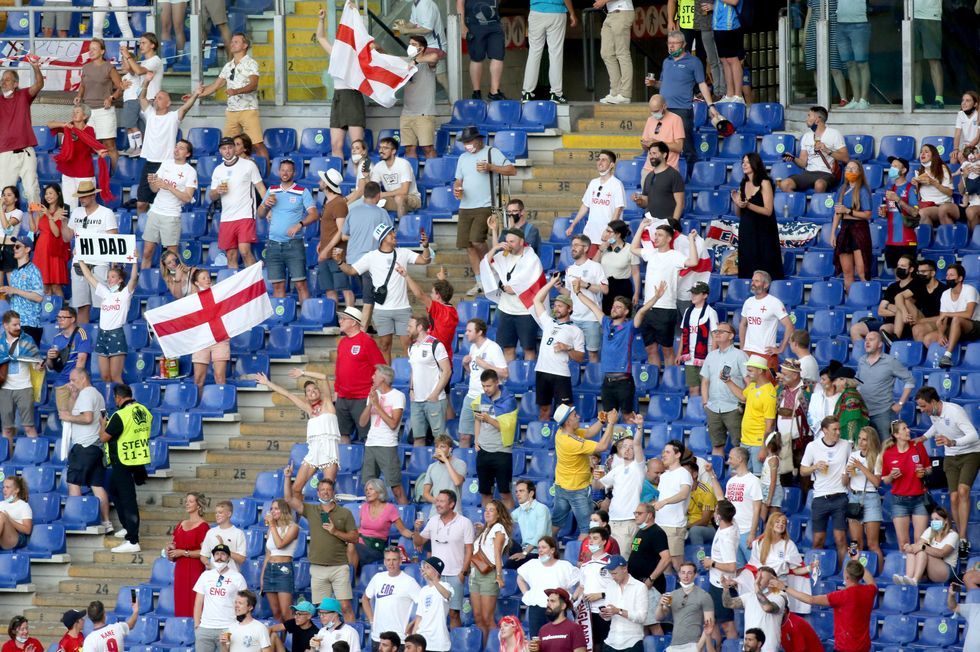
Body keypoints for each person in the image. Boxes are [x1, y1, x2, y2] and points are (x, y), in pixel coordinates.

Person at [338, 224, 432, 361]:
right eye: (390, 234)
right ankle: (386, 380)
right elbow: (352, 271)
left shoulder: (403, 253)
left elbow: (425, 260)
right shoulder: (371, 256)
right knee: (384, 345)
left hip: (402, 308)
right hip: (381, 310)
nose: (394, 235)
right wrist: (340, 262)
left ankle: (412, 378)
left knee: (407, 345)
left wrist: (425, 247)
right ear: (382, 238)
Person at [283, 471, 358, 621]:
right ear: (318, 492)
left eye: (328, 489)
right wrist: (287, 477)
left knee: (345, 607)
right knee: (323, 611)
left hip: (339, 566)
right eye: (322, 489)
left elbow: (355, 537)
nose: (325, 492)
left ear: (333, 492)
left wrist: (335, 531)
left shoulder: (345, 513)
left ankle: (351, 642)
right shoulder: (312, 510)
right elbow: (289, 498)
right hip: (317, 567)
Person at [454, 127, 516, 297]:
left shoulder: (491, 152)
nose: (467, 145)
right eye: (465, 142)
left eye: (469, 141)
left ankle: (492, 267)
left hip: (485, 204)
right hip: (465, 206)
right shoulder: (462, 157)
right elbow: (458, 179)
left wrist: (490, 167)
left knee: (477, 241)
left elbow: (512, 170)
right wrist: (457, 189)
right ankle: (480, 281)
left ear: (478, 140)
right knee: (468, 245)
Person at [256, 369, 340, 492]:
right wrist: (268, 383)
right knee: (295, 488)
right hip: (313, 453)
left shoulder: (327, 403)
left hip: (329, 451)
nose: (312, 391)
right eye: (309, 391)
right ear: (306, 397)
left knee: (327, 489)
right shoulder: (308, 409)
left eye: (315, 389)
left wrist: (303, 373)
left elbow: (323, 377)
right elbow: (288, 394)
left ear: (319, 391)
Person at [915, 387, 980, 543]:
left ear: (934, 402)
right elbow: (936, 426)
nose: (922, 410)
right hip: (951, 456)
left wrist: (952, 442)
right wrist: (923, 438)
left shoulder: (954, 411)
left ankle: (963, 537)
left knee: (963, 491)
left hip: (971, 453)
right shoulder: (934, 413)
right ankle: (957, 533)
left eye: (924, 406)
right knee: (953, 497)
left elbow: (974, 435)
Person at [631, 222, 700, 366]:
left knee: (667, 350)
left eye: (660, 235)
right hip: (647, 309)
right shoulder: (650, 253)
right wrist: (641, 226)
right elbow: (633, 248)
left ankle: (669, 385)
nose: (656, 238)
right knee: (650, 349)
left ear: (669, 239)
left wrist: (691, 240)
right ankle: (655, 382)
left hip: (666, 309)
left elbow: (693, 261)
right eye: (655, 234)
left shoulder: (675, 255)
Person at [197, 33, 270, 166]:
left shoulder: (251, 63)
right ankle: (229, 172)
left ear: (245, 45)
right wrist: (195, 95)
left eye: (236, 42)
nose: (232, 44)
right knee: (227, 145)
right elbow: (215, 85)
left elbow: (254, 85)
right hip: (231, 111)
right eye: (232, 41)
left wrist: (235, 91)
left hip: (248, 109)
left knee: (257, 144)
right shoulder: (228, 66)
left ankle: (267, 174)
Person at [771, 560, 875, 652]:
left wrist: (784, 587)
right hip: (864, 647)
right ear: (860, 575)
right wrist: (856, 562)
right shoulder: (870, 591)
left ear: (846, 576)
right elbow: (871, 581)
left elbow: (810, 599)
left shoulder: (841, 596)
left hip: (845, 648)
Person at [656, 30, 720, 169]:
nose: (671, 46)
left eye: (674, 43)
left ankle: (694, 176)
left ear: (684, 44)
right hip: (663, 110)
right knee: (661, 146)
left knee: (687, 147)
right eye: (669, 43)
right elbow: (662, 83)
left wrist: (711, 106)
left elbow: (702, 84)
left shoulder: (693, 62)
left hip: (682, 110)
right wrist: (653, 83)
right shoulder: (666, 62)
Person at [101, 384, 153, 553]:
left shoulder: (120, 415)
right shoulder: (144, 410)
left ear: (118, 397)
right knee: (114, 490)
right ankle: (126, 526)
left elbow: (104, 437)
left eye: (114, 398)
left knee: (128, 499)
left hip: (122, 460)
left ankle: (133, 540)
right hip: (137, 458)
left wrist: (103, 424)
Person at [553, 404, 616, 540]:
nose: (579, 416)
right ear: (568, 422)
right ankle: (581, 559)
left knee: (556, 524)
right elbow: (602, 446)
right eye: (575, 415)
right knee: (586, 530)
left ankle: (547, 551)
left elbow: (588, 433)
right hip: (578, 489)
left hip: (561, 486)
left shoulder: (562, 432)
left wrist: (601, 421)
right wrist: (611, 423)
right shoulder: (572, 442)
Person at [135, 84, 199, 217]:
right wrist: (147, 83)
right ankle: (143, 229)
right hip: (150, 164)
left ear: (168, 103)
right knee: (141, 203)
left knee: (162, 202)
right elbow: (142, 97)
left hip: (166, 165)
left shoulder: (173, 117)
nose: (156, 100)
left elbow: (186, 107)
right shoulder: (150, 114)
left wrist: (196, 94)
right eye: (155, 98)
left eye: (160, 98)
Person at [413, 490, 474, 628]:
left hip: (455, 574)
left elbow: (470, 550)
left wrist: (462, 573)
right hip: (435, 575)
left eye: (441, 501)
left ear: (451, 504)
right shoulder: (433, 520)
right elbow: (419, 542)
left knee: (454, 613)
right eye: (437, 501)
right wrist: (416, 529)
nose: (437, 504)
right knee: (433, 611)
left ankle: (454, 646)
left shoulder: (465, 523)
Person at [258, 159, 317, 302]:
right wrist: (266, 205)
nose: (285, 173)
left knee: (300, 284)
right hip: (273, 245)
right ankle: (282, 319)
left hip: (294, 244)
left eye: (288, 170)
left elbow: (314, 214)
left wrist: (300, 224)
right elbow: (260, 215)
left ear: (294, 173)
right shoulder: (272, 190)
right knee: (277, 286)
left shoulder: (302, 191)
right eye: (283, 170)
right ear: (279, 172)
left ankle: (305, 316)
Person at [480, 223, 542, 361]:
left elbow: (536, 282)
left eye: (512, 241)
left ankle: (528, 380)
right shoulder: (503, 255)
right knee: (507, 348)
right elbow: (486, 263)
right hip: (506, 309)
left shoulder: (532, 259)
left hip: (525, 311)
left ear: (521, 242)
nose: (508, 244)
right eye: (507, 241)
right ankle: (509, 379)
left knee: (528, 349)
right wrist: (495, 247)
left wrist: (516, 288)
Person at [63, 179, 119, 325]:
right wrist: (63, 221)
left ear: (93, 196)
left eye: (85, 196)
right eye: (80, 196)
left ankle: (105, 337)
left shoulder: (106, 213)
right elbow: (66, 237)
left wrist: (114, 266)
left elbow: (114, 240)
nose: (82, 199)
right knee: (82, 305)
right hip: (79, 263)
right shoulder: (76, 212)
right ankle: (84, 341)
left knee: (104, 305)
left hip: (99, 263)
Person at [315, 10, 368, 160]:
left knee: (357, 146)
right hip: (338, 97)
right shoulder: (336, 53)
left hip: (352, 97)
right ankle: (336, 179)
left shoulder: (361, 56)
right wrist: (321, 20)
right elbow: (320, 37)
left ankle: (360, 179)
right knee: (335, 145)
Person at [207, 136, 266, 270]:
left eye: (229, 147)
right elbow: (211, 196)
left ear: (234, 148)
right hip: (227, 217)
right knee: (231, 255)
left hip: (245, 214)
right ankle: (236, 290)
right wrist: (217, 191)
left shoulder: (249, 165)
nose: (227, 151)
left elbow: (261, 188)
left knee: (245, 251)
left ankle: (255, 285)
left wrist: (268, 208)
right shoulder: (218, 170)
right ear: (220, 151)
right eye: (223, 148)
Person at [801, 415, 852, 568]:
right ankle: (817, 571)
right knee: (818, 540)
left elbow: (850, 468)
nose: (838, 432)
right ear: (824, 431)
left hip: (840, 496)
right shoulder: (813, 446)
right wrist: (815, 467)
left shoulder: (846, 445)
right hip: (820, 497)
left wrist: (848, 475)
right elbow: (803, 470)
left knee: (841, 539)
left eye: (839, 429)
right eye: (834, 429)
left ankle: (845, 574)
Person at [530, 278, 584, 421]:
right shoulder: (548, 322)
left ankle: (565, 442)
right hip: (542, 371)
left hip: (560, 374)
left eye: (560, 306)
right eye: (555, 305)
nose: (556, 308)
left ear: (569, 309)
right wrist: (551, 283)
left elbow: (580, 357)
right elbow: (536, 300)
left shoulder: (575, 330)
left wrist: (567, 348)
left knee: (566, 413)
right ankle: (545, 441)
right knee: (544, 410)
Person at [77, 261, 138, 384]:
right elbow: (89, 277)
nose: (109, 279)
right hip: (102, 335)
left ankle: (125, 402)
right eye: (108, 277)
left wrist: (135, 261)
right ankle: (110, 402)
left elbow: (133, 278)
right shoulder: (105, 293)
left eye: (113, 277)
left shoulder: (124, 294)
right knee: (105, 377)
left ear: (120, 280)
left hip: (116, 334)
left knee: (116, 377)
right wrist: (79, 259)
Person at [141, 139, 198, 269]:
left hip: (171, 214)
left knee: (172, 256)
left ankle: (177, 284)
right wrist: (152, 182)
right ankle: (144, 282)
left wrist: (169, 187)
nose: (176, 150)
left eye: (181, 148)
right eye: (176, 147)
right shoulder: (166, 163)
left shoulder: (190, 171)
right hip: (155, 211)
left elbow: (188, 198)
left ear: (188, 154)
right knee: (147, 252)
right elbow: (154, 189)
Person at [333, 307, 386, 443]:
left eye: (343, 319)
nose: (340, 321)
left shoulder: (366, 341)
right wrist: (337, 390)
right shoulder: (343, 342)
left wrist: (374, 389)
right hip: (343, 397)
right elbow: (339, 369)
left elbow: (381, 368)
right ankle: (347, 464)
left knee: (367, 436)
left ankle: (368, 464)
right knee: (343, 434)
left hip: (362, 397)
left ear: (353, 322)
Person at [596, 415, 646, 555]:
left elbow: (637, 443)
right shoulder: (616, 469)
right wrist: (594, 477)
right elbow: (598, 485)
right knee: (610, 558)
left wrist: (640, 427)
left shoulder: (639, 466)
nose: (627, 449)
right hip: (613, 520)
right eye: (624, 446)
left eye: (630, 447)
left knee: (623, 559)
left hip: (629, 521)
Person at [359, 365, 409, 503]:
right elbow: (362, 423)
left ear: (383, 378)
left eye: (375, 375)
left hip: (387, 445)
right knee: (369, 487)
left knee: (396, 488)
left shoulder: (398, 396)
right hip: (371, 444)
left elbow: (393, 424)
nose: (372, 377)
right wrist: (370, 404)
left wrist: (378, 405)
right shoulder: (374, 395)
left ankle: (406, 518)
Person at [46, 105, 108, 212]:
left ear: (85, 116)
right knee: (69, 204)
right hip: (68, 171)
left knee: (88, 203)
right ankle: (71, 227)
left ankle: (88, 228)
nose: (74, 114)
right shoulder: (67, 126)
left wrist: (99, 151)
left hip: (84, 172)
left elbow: (91, 143)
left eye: (77, 112)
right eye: (73, 112)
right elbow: (49, 124)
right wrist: (63, 124)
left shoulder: (89, 130)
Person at [517, 536, 581, 637]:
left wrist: (572, 599)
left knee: (558, 640)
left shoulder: (564, 566)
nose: (540, 550)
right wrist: (527, 594)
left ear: (552, 550)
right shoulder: (532, 564)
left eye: (544, 547)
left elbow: (581, 583)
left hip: (557, 609)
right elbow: (520, 579)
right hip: (536, 608)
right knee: (537, 640)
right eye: (539, 548)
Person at [458, 318, 507, 448]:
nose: (466, 333)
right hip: (471, 396)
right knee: (464, 436)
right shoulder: (473, 347)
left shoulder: (493, 348)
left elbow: (505, 373)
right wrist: (465, 365)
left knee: (483, 439)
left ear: (479, 332)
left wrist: (486, 365)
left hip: (486, 398)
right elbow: (474, 374)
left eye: (469, 330)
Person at [856, 331, 914, 440]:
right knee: (868, 448)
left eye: (871, 340)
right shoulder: (861, 360)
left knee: (887, 447)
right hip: (863, 413)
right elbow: (858, 380)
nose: (867, 342)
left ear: (880, 344)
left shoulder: (890, 361)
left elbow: (910, 380)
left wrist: (900, 403)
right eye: (866, 340)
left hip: (883, 413)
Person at [0, 57, 44, 203]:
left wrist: (35, 67)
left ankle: (37, 222)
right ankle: (3, 224)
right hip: (5, 152)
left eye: (7, 79)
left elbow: (39, 84)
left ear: (16, 83)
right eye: (2, 79)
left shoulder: (23, 95)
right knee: (4, 192)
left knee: (32, 190)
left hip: (26, 151)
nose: (3, 82)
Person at [700, 322, 748, 456]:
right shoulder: (711, 355)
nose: (717, 333)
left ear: (731, 336)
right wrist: (705, 403)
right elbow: (705, 381)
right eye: (716, 331)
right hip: (713, 407)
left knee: (739, 445)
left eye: (722, 331)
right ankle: (716, 474)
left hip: (734, 407)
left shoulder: (740, 355)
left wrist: (745, 401)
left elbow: (749, 382)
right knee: (716, 444)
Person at [75, 39, 123, 169]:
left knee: (109, 145)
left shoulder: (109, 67)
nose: (91, 51)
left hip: (104, 111)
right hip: (88, 112)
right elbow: (83, 85)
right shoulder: (85, 67)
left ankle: (114, 176)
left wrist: (111, 98)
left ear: (102, 51)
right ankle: (88, 173)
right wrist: (79, 96)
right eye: (90, 49)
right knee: (85, 144)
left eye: (94, 49)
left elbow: (121, 87)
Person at [473, 369, 518, 508]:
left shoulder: (508, 401)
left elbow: (506, 427)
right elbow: (477, 419)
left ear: (497, 383)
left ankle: (509, 526)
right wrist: (476, 439)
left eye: (489, 386)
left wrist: (489, 419)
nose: (486, 389)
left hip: (502, 452)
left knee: (505, 493)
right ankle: (487, 527)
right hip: (484, 451)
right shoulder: (481, 399)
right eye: (483, 386)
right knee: (485, 493)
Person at [707, 447, 761, 564]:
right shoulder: (731, 481)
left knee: (755, 566)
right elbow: (721, 499)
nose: (728, 461)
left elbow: (757, 509)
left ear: (740, 459)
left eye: (731, 458)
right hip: (732, 530)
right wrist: (711, 474)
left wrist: (752, 533)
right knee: (737, 568)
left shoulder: (754, 481)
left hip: (746, 531)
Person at [849, 254, 917, 344]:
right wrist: (897, 312)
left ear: (911, 269)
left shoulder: (917, 285)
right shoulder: (892, 287)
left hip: (906, 325)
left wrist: (889, 306)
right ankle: (863, 355)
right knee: (855, 329)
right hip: (887, 323)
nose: (899, 268)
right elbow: (880, 311)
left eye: (903, 266)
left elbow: (908, 307)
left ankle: (889, 349)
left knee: (884, 329)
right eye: (898, 266)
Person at [724, 355, 775, 474]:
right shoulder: (753, 385)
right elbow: (743, 396)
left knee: (757, 477)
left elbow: (769, 425)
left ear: (760, 371)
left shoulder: (768, 393)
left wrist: (763, 448)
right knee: (739, 476)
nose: (747, 374)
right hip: (745, 440)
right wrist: (728, 381)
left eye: (750, 370)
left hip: (757, 444)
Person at [778, 106, 848, 194]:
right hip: (809, 173)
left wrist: (827, 150)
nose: (806, 119)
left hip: (826, 173)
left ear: (817, 119)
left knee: (819, 185)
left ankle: (817, 207)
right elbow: (803, 163)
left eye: (809, 116)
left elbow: (845, 158)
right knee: (785, 184)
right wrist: (793, 158)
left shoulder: (834, 134)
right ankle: (799, 205)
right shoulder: (806, 136)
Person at [471, 500, 512, 646]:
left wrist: (499, 576)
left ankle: (498, 648)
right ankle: (482, 648)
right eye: (486, 509)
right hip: (475, 573)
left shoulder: (498, 528)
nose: (487, 512)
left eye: (491, 510)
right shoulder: (485, 530)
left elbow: (496, 554)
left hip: (488, 574)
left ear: (498, 513)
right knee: (478, 617)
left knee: (488, 619)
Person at [568, 150, 626, 255]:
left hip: (608, 238)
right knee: (591, 267)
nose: (600, 162)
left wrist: (609, 232)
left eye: (604, 160)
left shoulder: (617, 184)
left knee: (606, 267)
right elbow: (585, 206)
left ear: (612, 164)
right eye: (598, 159)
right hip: (590, 235)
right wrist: (573, 225)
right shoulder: (593, 183)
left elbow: (618, 210)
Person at [193, 544, 249, 652]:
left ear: (228, 557)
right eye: (216, 554)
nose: (219, 557)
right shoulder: (205, 575)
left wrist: (240, 626)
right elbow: (198, 602)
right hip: (205, 628)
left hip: (228, 627)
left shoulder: (238, 577)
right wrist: (197, 626)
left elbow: (244, 603)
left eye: (223, 554)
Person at [406, 314, 452, 446]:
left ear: (420, 327)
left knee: (440, 439)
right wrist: (411, 389)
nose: (407, 329)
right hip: (417, 400)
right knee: (417, 437)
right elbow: (413, 370)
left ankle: (443, 465)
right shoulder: (412, 347)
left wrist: (435, 393)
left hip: (434, 400)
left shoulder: (436, 344)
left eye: (410, 326)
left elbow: (447, 371)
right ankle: (420, 467)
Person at [626, 502, 671, 634]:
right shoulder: (641, 531)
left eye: (639, 513)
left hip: (651, 585)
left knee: (653, 624)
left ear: (650, 515)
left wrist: (651, 579)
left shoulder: (656, 532)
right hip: (638, 585)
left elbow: (666, 558)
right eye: (635, 513)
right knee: (643, 624)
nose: (636, 516)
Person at [519, 0, 576, 103]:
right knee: (555, 53)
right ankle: (556, 94)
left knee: (534, 53)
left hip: (536, 12)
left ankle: (527, 93)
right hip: (556, 12)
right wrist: (572, 13)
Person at [561, 237, 607, 362]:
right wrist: (559, 287)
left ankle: (595, 380)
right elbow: (569, 294)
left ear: (586, 248)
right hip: (574, 318)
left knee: (592, 354)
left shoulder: (595, 267)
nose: (573, 248)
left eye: (576, 245)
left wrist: (586, 285)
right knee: (573, 354)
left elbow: (605, 289)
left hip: (591, 318)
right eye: (572, 245)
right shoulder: (570, 269)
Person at [720, 566, 786, 652]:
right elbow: (728, 603)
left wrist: (757, 587)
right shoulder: (750, 596)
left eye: (761, 578)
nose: (757, 581)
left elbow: (767, 607)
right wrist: (725, 588)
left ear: (772, 580)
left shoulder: (780, 596)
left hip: (768, 648)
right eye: (756, 577)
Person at [919, 263, 979, 357]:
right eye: (947, 275)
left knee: (956, 319)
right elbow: (942, 319)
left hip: (974, 326)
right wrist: (941, 334)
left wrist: (947, 314)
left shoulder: (970, 290)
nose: (948, 277)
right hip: (955, 327)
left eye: (951, 275)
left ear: (960, 278)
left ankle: (948, 355)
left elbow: (968, 314)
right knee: (928, 338)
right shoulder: (945, 294)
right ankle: (938, 361)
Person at [831, 161, 873, 290]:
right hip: (845, 230)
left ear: (860, 172)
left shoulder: (863, 190)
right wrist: (833, 233)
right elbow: (838, 213)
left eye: (854, 169)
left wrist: (848, 212)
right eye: (848, 168)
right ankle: (851, 302)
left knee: (862, 272)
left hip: (859, 230)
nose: (851, 171)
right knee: (847, 273)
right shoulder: (842, 190)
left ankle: (864, 302)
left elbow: (867, 215)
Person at [654, 561, 714, 652]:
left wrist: (698, 647)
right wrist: (660, 605)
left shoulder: (704, 596)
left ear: (695, 575)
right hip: (674, 645)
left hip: (693, 644)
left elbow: (709, 624)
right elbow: (658, 617)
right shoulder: (672, 595)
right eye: (683, 572)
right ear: (679, 574)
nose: (686, 576)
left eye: (689, 573)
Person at [400, 36, 443, 160]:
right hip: (406, 113)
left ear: (421, 48)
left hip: (424, 114)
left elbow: (434, 57)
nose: (410, 46)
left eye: (413, 44)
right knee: (409, 148)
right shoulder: (407, 62)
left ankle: (434, 176)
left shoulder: (427, 64)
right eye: (409, 43)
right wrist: (377, 48)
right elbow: (389, 59)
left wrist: (417, 61)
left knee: (427, 148)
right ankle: (412, 177)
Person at [0, 310, 41, 442]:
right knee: (6, 429)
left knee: (29, 427)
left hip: (24, 387)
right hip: (4, 388)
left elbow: (36, 362)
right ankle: (7, 459)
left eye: (19, 324)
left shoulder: (28, 340)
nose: (18, 327)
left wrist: (40, 365)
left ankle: (34, 455)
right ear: (5, 326)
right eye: (15, 325)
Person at [166, 492, 209, 617]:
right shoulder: (181, 524)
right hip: (180, 569)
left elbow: (204, 552)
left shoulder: (203, 526)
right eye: (186, 501)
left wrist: (184, 553)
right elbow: (175, 544)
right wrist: (171, 549)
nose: (187, 503)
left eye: (191, 501)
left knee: (194, 600)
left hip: (195, 568)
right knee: (181, 600)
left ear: (198, 505)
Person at [701, 500, 738, 644]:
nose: (714, 512)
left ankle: (732, 647)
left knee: (727, 624)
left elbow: (731, 566)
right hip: (715, 582)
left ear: (719, 517)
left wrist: (712, 563)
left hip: (722, 585)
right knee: (713, 621)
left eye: (716, 510)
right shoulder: (731, 524)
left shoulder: (726, 538)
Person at [400, 266, 458, 356]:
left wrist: (406, 276)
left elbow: (420, 295)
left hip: (435, 357)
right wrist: (442, 281)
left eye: (432, 293)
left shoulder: (439, 310)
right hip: (444, 354)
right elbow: (444, 292)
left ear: (438, 295)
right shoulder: (452, 310)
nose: (431, 295)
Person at [316, 169, 354, 307]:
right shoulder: (330, 201)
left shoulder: (338, 203)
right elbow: (332, 227)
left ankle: (350, 319)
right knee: (329, 289)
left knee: (344, 288)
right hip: (327, 250)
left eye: (321, 180)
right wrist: (322, 243)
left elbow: (341, 231)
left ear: (326, 184)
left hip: (336, 252)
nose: (319, 182)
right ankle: (335, 321)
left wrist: (326, 249)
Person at [653, 441, 693, 570]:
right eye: (663, 451)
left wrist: (664, 502)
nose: (663, 454)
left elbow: (683, 494)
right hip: (660, 524)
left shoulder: (684, 473)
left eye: (667, 452)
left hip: (674, 525)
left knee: (678, 564)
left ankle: (689, 589)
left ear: (678, 455)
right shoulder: (664, 476)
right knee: (663, 565)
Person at [354, 479, 413, 567]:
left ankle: (351, 578)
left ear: (379, 491)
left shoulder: (390, 508)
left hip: (375, 547)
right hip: (359, 543)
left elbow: (403, 530)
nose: (368, 492)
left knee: (351, 547)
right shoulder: (364, 507)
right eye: (366, 490)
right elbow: (360, 529)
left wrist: (414, 536)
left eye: (371, 489)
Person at [845, 426, 883, 560]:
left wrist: (861, 467)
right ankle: (853, 572)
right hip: (854, 497)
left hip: (871, 497)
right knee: (855, 543)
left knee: (873, 544)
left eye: (864, 439)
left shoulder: (877, 457)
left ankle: (878, 575)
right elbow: (845, 481)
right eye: (859, 439)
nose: (860, 442)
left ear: (871, 441)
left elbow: (877, 482)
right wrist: (846, 474)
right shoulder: (853, 455)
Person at [260, 499, 300, 622]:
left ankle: (292, 639)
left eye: (276, 508)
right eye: (272, 509)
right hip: (269, 569)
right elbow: (268, 554)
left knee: (286, 612)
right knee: (276, 612)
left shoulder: (293, 527)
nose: (273, 511)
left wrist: (272, 525)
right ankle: (280, 640)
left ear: (284, 510)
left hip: (284, 570)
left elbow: (280, 544)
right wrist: (262, 577)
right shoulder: (271, 529)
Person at [877, 157, 920, 270]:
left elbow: (915, 213)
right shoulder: (890, 188)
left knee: (908, 275)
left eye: (895, 166)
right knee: (897, 277)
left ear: (904, 170)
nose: (892, 168)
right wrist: (883, 213)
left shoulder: (910, 188)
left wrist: (899, 200)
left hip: (907, 241)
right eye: (891, 166)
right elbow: (891, 211)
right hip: (891, 240)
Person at [46, 306, 91, 412]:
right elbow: (51, 366)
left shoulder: (81, 334)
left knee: (79, 416)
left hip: (78, 383)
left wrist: (74, 382)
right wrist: (49, 357)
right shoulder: (57, 338)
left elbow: (81, 361)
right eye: (58, 317)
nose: (59, 320)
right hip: (61, 383)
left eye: (63, 317)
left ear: (73, 319)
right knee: (64, 419)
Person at [459, 0, 506, 99]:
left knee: (498, 55)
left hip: (494, 23)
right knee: (477, 58)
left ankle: (494, 91)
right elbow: (460, 3)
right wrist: (462, 25)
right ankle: (476, 92)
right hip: (474, 23)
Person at [601, 555, 649, 652]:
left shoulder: (640, 587)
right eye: (611, 574)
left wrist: (618, 611)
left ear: (625, 569)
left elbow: (641, 617)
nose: (613, 577)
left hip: (632, 642)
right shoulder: (610, 586)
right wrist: (605, 614)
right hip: (611, 640)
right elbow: (608, 618)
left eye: (615, 573)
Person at [575, 526, 614, 648]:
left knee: (605, 645)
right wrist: (573, 599)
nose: (591, 541)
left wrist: (600, 595)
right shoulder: (585, 565)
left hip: (606, 611)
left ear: (604, 541)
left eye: (595, 538)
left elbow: (621, 588)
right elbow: (582, 587)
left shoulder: (612, 562)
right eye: (590, 538)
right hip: (587, 612)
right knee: (590, 646)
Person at [678, 282, 718, 396]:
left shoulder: (711, 312)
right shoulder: (688, 311)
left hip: (706, 356)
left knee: (706, 388)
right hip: (689, 356)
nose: (693, 296)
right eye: (692, 293)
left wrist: (713, 356)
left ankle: (705, 413)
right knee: (693, 389)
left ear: (705, 295)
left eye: (696, 293)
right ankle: (694, 412)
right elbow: (684, 333)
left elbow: (715, 336)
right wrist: (679, 353)